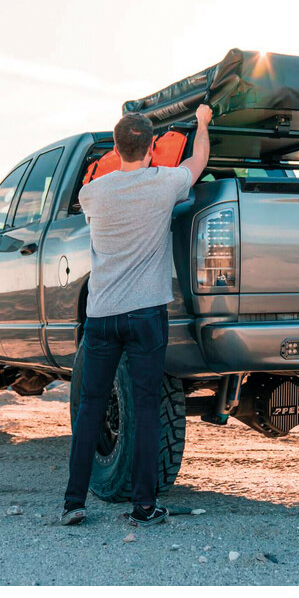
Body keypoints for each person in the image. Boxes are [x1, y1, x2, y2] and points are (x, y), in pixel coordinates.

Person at [61, 103, 213, 526]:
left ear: (115, 148)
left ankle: (73, 503)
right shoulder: (165, 183)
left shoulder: (92, 193)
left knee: (90, 406)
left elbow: (106, 183)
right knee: (147, 409)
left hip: (101, 316)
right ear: (151, 149)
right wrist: (202, 123)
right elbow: (199, 159)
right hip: (146, 315)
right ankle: (144, 507)